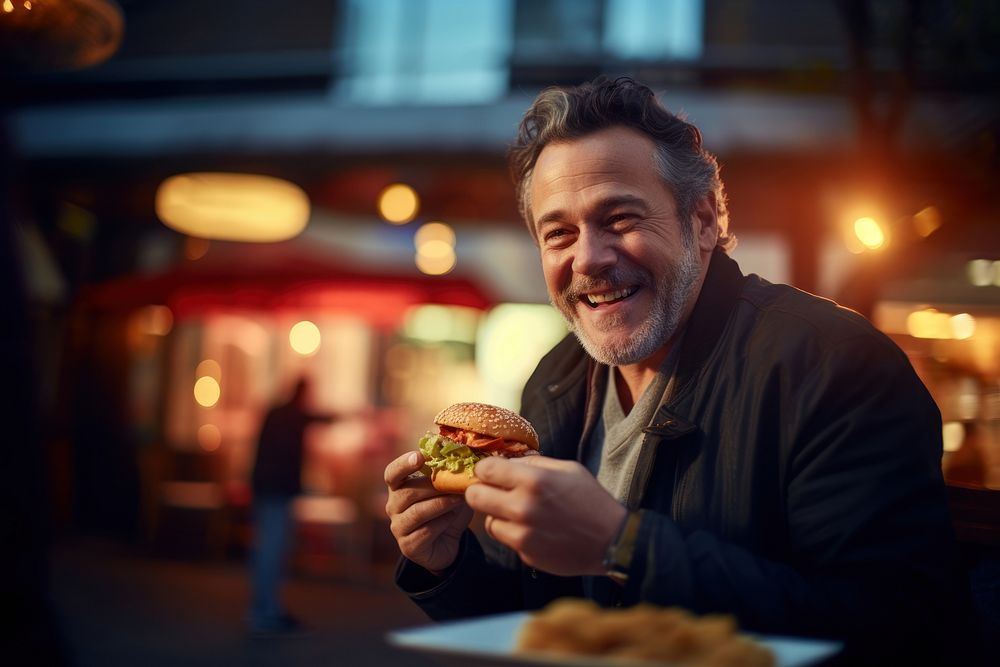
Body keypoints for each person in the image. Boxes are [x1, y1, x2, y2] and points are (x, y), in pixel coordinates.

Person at [383, 77, 979, 664]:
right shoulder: (556, 377)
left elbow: (897, 629)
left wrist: (622, 547)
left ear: (702, 222)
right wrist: (446, 563)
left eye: (619, 219)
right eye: (558, 233)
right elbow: (536, 618)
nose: (588, 258)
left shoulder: (835, 365)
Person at [247, 376, 334, 636]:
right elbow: (315, 419)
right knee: (272, 550)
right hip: (276, 491)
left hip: (266, 488)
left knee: (267, 549)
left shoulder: (278, 412)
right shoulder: (291, 415)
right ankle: (265, 611)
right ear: (303, 393)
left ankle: (263, 608)